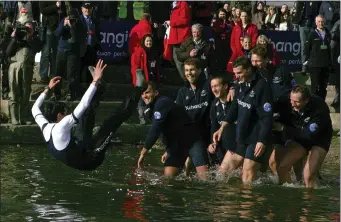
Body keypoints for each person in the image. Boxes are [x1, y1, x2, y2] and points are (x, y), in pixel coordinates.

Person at [31, 60, 144, 171]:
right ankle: (139, 89)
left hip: (79, 146)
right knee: (110, 123)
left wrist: (48, 88)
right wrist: (94, 81)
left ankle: (100, 87)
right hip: (91, 159)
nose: (66, 115)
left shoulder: (45, 126)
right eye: (65, 113)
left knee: (85, 114)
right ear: (59, 116)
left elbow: (34, 108)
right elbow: (83, 103)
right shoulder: (61, 126)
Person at [213, 56, 273, 183]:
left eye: (239, 73)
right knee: (223, 172)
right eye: (235, 74)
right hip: (242, 135)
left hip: (256, 137)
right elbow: (234, 108)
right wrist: (222, 128)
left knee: (247, 173)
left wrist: (262, 140)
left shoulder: (262, 86)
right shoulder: (239, 84)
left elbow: (267, 117)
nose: (236, 76)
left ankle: (248, 202)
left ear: (249, 70)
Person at [137, 81, 208, 180]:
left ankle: (190, 161)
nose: (145, 96)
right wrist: (168, 150)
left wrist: (143, 153)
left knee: (205, 179)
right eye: (143, 93)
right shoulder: (149, 109)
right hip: (176, 145)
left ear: (156, 93)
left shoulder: (162, 102)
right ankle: (187, 164)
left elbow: (156, 129)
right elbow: (164, 129)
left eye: (148, 92)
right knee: (168, 179)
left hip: (192, 140)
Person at [272, 85, 333, 188]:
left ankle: (310, 201)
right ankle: (291, 198)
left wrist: (284, 129)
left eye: (297, 102)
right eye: (291, 100)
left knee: (308, 175)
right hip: (300, 134)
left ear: (306, 100)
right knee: (282, 168)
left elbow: (308, 135)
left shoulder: (319, 107)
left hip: (319, 138)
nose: (292, 104)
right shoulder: (285, 99)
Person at [6, 21, 42, 125]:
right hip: (15, 68)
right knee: (14, 92)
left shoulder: (35, 41)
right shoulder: (16, 39)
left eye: (29, 29)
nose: (27, 31)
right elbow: (8, 52)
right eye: (25, 29)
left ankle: (24, 117)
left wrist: (29, 37)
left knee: (26, 93)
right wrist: (15, 39)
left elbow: (38, 47)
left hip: (28, 68)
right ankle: (14, 117)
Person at [208, 76, 237, 170]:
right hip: (222, 143)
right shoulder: (214, 105)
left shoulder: (235, 100)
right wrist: (212, 143)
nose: (214, 89)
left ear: (225, 86)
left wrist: (233, 87)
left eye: (216, 86)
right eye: (212, 87)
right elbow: (214, 126)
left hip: (236, 144)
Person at [130, 34, 160, 124]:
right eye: (147, 41)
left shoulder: (154, 52)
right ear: (144, 41)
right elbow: (135, 67)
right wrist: (139, 79)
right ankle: (142, 117)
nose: (149, 42)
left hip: (152, 79)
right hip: (142, 80)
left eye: (150, 41)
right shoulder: (139, 52)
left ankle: (151, 117)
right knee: (141, 99)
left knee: (153, 99)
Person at [305, 15, 331, 101]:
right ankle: (314, 105)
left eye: (322, 21)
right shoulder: (312, 34)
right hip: (315, 65)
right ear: (316, 23)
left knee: (323, 87)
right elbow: (307, 49)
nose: (321, 23)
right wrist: (309, 60)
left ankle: (321, 104)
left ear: (325, 22)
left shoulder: (328, 33)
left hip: (325, 64)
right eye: (319, 21)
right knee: (314, 87)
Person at [164, 1, 191, 81]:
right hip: (176, 37)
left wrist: (171, 22)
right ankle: (187, 82)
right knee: (178, 61)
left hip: (182, 37)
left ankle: (188, 82)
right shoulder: (174, 4)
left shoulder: (183, 4)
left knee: (181, 61)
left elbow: (185, 20)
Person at [38, 1, 63, 84]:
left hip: (59, 27)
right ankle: (44, 75)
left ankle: (54, 75)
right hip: (48, 26)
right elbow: (43, 10)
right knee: (46, 51)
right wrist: (55, 6)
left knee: (56, 53)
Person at [79, 2, 102, 85]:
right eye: (85, 8)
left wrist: (97, 42)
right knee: (80, 70)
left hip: (92, 48)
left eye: (89, 8)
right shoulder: (79, 19)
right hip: (81, 49)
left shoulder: (95, 20)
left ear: (92, 9)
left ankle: (90, 87)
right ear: (82, 9)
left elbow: (99, 34)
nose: (87, 10)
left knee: (91, 69)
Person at [212, 8, 234, 74]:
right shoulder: (215, 22)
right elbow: (217, 31)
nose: (222, 15)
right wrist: (223, 25)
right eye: (220, 14)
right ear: (218, 15)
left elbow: (231, 30)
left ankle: (227, 69)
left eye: (223, 14)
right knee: (220, 56)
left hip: (227, 42)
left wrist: (226, 23)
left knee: (227, 56)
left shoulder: (229, 22)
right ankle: (220, 70)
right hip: (219, 42)